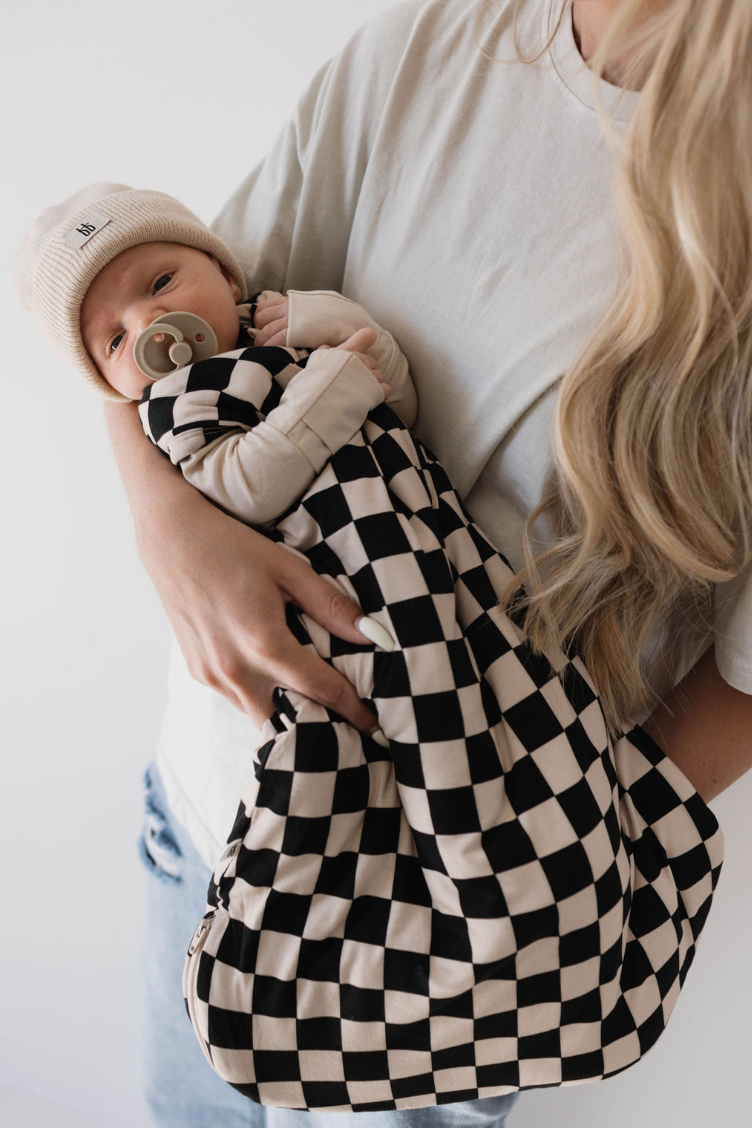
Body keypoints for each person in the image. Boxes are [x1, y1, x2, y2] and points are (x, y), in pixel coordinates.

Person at [20, 1, 752, 1125]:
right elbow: (156, 317)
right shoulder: (434, 48)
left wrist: (558, 850)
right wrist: (169, 530)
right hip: (207, 821)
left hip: (438, 936)